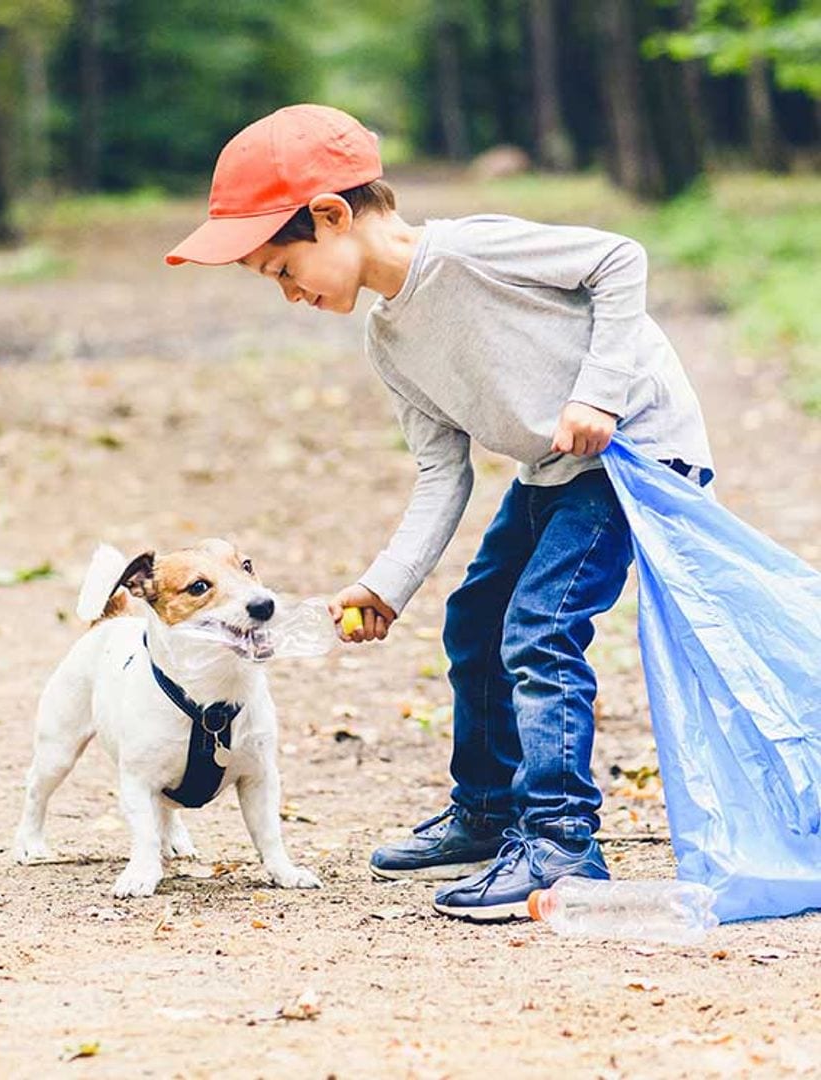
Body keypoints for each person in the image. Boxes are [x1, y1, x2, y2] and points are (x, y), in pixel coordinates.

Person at [165, 104, 713, 921]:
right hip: (555, 468)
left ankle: (561, 840)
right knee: (475, 618)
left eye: (283, 269)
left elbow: (618, 259)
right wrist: (385, 586)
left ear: (331, 215)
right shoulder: (389, 340)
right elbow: (439, 473)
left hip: (636, 454)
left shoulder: (468, 252)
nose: (289, 294)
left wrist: (599, 391)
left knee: (538, 626)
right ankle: (489, 812)